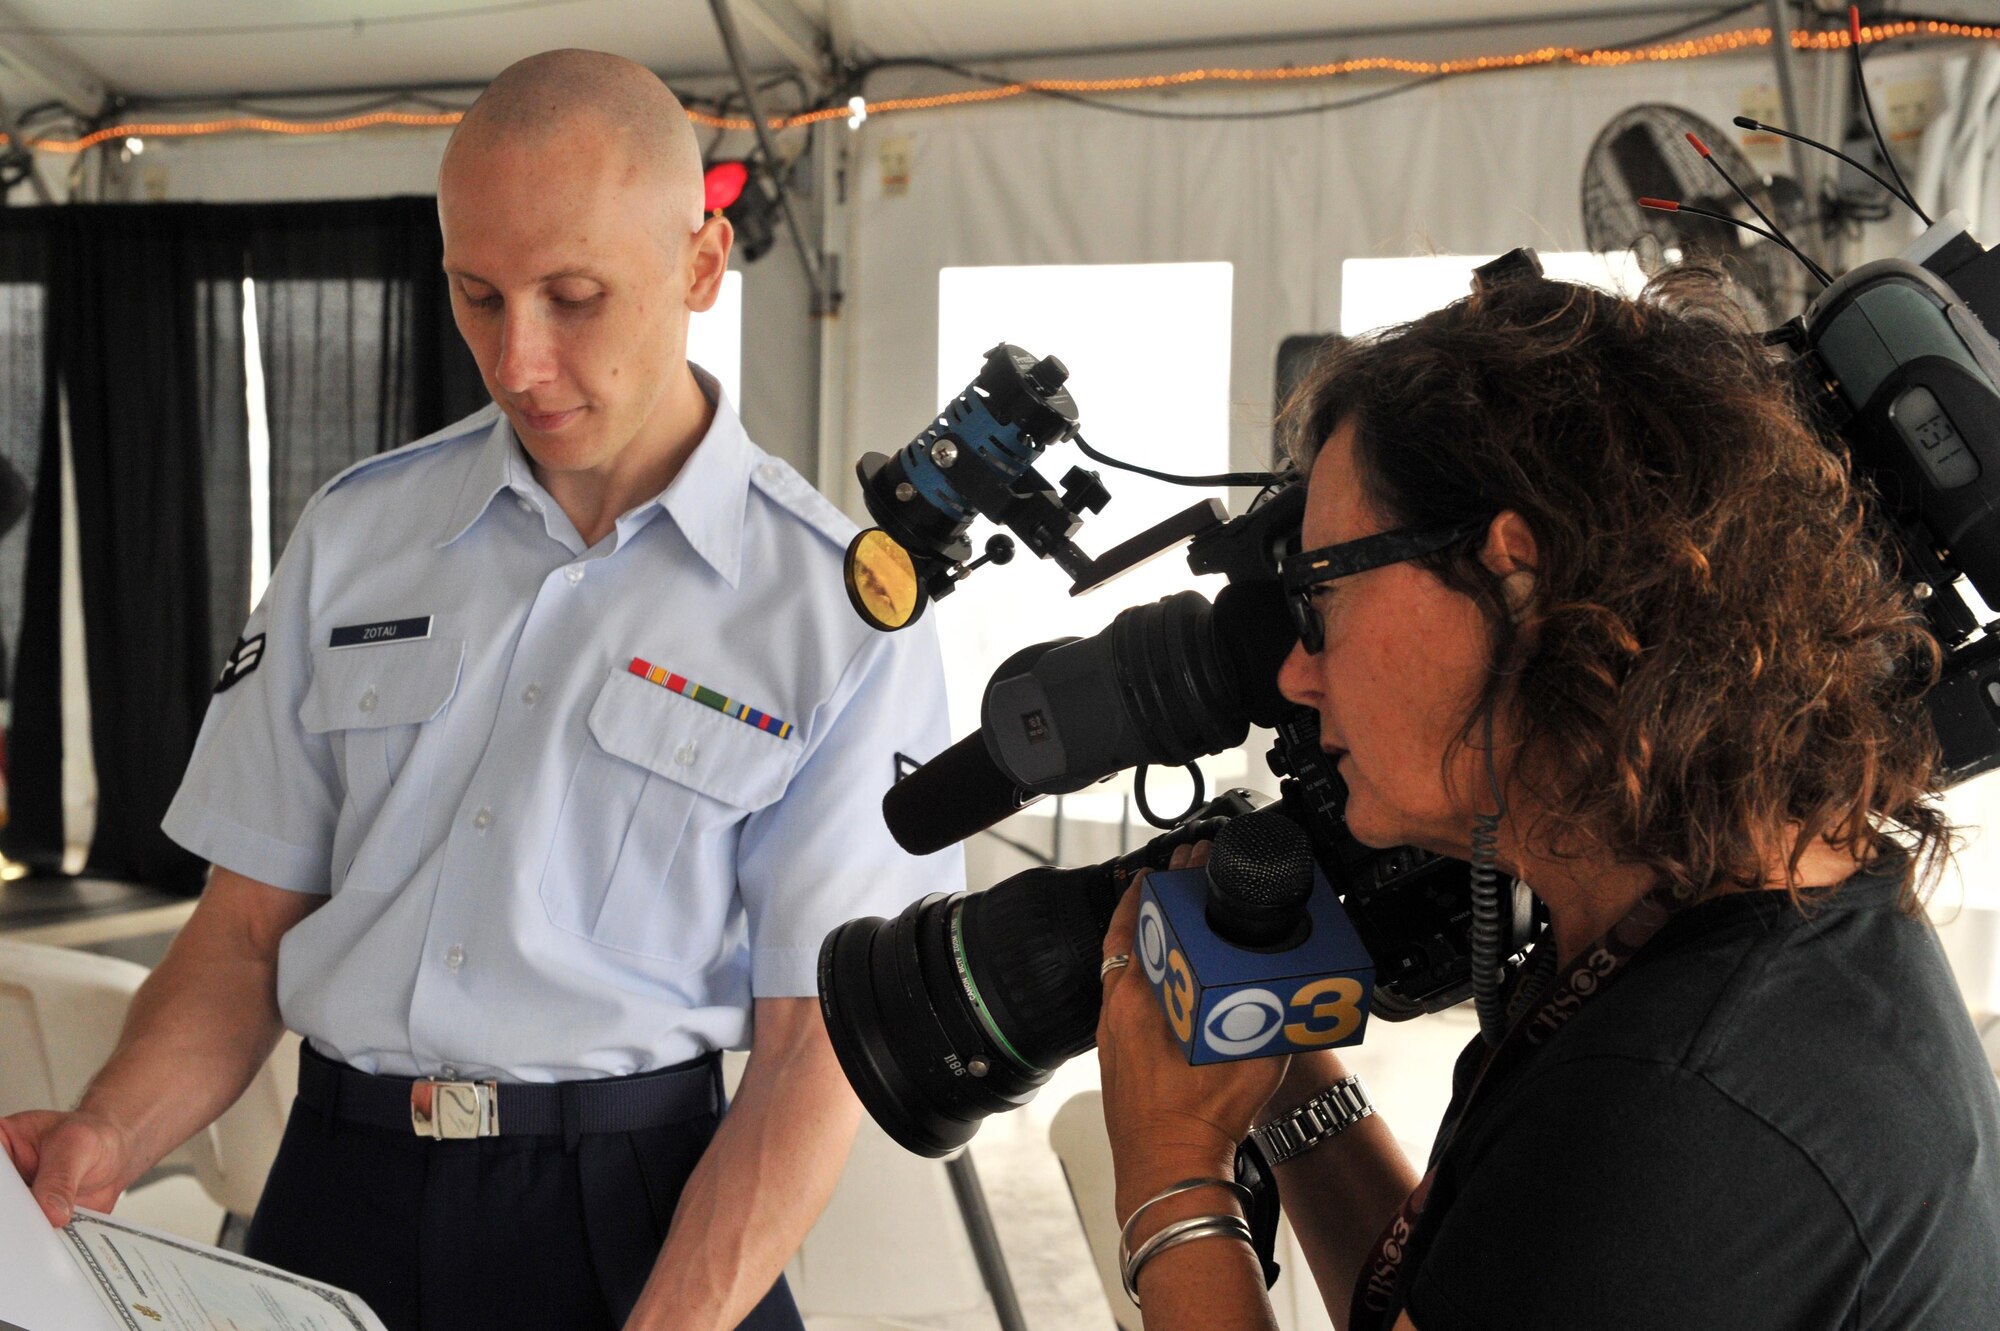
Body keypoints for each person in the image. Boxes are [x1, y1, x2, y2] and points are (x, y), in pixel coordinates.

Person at [0, 50, 960, 1331]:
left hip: (638, 1213)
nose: (518, 361)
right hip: (337, 1190)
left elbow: (811, 1050)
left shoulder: (831, 611)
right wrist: (110, 1130)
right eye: (476, 295)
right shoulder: (358, 534)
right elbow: (243, 934)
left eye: (574, 297)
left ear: (700, 264)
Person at [1093, 261, 2000, 1329]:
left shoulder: (1679, 1108)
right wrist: (1287, 1074)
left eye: (1322, 593)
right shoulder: (1751, 921)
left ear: (1513, 577)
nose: (1297, 671)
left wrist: (1172, 1175)